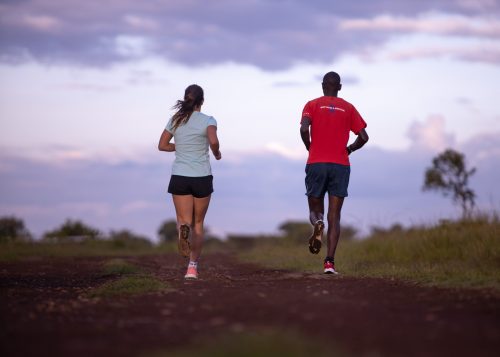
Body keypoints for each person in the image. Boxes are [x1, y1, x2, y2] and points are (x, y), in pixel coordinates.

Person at [300, 71, 368, 274]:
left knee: (315, 209)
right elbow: (363, 136)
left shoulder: (311, 105)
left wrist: (309, 146)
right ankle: (329, 262)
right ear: (339, 87)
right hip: (340, 165)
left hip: (317, 163)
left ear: (322, 85)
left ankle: (317, 222)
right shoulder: (349, 108)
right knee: (335, 215)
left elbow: (304, 129)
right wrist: (350, 149)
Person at [158, 84, 221, 280]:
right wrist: (217, 153)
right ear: (201, 101)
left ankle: (182, 231)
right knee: (199, 224)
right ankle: (192, 267)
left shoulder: (175, 120)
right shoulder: (208, 120)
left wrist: (181, 146)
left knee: (184, 220)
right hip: (201, 176)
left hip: (180, 176)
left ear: (186, 99)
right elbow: (213, 141)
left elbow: (162, 145)